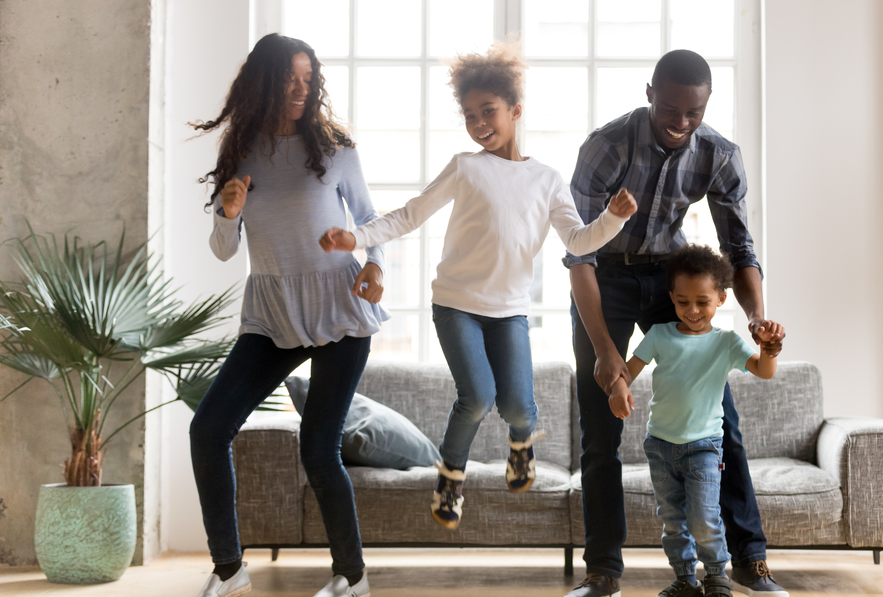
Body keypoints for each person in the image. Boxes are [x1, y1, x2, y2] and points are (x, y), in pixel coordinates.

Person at [319, 42, 638, 530]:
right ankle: (450, 478)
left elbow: (578, 240)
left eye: (488, 111)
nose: (479, 123)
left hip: (509, 309)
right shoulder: (465, 167)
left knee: (516, 405)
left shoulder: (547, 179)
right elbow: (411, 213)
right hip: (456, 305)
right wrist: (356, 237)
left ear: (515, 110)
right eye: (470, 115)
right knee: (476, 396)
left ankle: (522, 444)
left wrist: (612, 220)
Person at [564, 49, 788, 597]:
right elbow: (578, 256)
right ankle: (603, 573)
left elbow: (739, 247)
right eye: (670, 109)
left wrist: (756, 317)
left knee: (721, 421)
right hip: (606, 279)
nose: (680, 123)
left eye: (694, 113)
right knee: (601, 428)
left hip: (671, 281)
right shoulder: (605, 146)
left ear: (705, 105)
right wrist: (605, 351)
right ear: (649, 94)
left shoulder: (718, 153)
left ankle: (749, 560)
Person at [189, 33, 386, 597]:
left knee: (319, 448)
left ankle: (351, 576)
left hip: (340, 308)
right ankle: (229, 569)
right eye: (289, 80)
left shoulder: (334, 147)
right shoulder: (240, 149)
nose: (301, 91)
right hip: (273, 313)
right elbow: (224, 249)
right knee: (208, 430)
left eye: (307, 80)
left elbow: (371, 220)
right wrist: (229, 213)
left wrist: (375, 266)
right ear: (264, 82)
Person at [609, 245, 781, 597]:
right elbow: (628, 370)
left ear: (721, 298)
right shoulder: (659, 334)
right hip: (660, 446)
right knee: (673, 522)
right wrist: (617, 387)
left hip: (704, 447)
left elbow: (764, 372)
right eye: (683, 301)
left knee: (704, 519)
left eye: (702, 302)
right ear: (671, 296)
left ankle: (717, 576)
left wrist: (768, 348)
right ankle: (685, 580)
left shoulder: (727, 342)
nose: (692, 310)